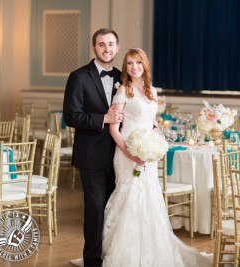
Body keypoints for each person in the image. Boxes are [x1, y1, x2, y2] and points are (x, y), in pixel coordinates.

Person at [102, 47, 212, 266]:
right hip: (127, 153)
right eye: (130, 63)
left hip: (147, 152)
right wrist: (131, 153)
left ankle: (155, 252)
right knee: (131, 198)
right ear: (126, 67)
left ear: (145, 65)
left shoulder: (151, 90)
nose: (134, 67)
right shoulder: (124, 90)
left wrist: (156, 132)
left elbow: (149, 120)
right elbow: (114, 128)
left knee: (151, 198)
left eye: (138, 63)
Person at [63, 28, 123, 267]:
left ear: (117, 47)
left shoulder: (123, 77)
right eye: (101, 44)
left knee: (114, 209)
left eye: (110, 44)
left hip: (119, 156)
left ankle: (112, 256)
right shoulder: (78, 77)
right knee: (96, 209)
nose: (106, 49)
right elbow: (71, 117)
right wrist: (103, 119)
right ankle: (92, 262)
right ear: (93, 48)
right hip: (91, 156)